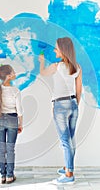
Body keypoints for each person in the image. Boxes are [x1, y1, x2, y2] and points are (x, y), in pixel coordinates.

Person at [39, 37, 82, 184]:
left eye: (56, 48)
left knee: (65, 141)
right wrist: (75, 105)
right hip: (73, 104)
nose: (54, 50)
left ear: (63, 50)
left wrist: (41, 61)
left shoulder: (57, 66)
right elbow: (79, 90)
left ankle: (69, 175)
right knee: (71, 139)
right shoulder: (77, 67)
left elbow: (43, 73)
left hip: (60, 105)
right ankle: (67, 167)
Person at [0, 65, 23, 184]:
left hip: (0, 119)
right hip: (12, 119)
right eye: (13, 72)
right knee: (10, 149)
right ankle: (9, 175)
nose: (15, 73)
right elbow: (19, 110)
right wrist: (20, 124)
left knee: (1, 149)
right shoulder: (15, 91)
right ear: (8, 76)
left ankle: (1, 175)